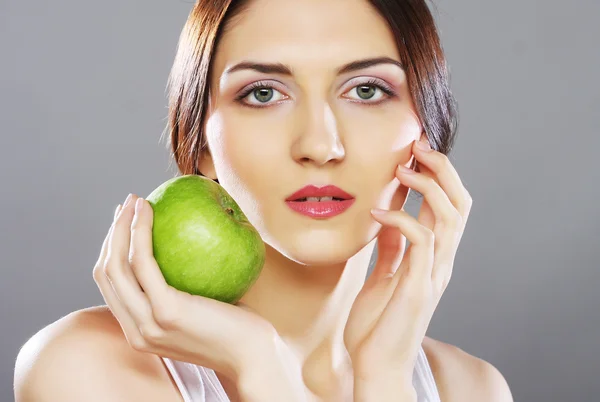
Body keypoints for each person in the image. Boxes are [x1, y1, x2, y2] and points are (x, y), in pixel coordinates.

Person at [14, 0, 514, 401]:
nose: (320, 146)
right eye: (262, 94)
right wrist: (258, 365)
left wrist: (384, 382)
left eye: (365, 90)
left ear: (427, 128)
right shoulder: (87, 371)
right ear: (201, 144)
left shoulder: (471, 389)